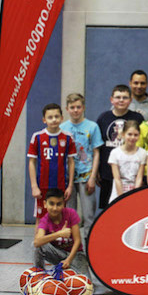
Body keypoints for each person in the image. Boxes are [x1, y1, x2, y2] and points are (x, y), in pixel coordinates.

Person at [60, 93, 103, 235]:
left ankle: (88, 248)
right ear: (67, 109)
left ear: (83, 107)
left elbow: (96, 152)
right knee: (69, 216)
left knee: (88, 215)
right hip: (68, 179)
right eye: (72, 107)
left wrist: (92, 176)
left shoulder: (92, 126)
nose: (76, 110)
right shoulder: (62, 128)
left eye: (78, 107)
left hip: (86, 177)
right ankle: (73, 248)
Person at [28, 103, 77, 225]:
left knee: (60, 217)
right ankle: (39, 243)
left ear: (61, 118)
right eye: (50, 117)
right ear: (44, 120)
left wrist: (70, 186)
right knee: (41, 217)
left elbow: (71, 162)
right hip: (42, 186)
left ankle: (59, 244)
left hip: (61, 186)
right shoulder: (37, 137)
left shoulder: (68, 137)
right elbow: (32, 162)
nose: (54, 119)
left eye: (56, 116)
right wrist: (34, 186)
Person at [97, 85, 144, 208]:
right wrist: (96, 170)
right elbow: (98, 145)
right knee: (108, 209)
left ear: (130, 100)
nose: (121, 100)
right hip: (107, 172)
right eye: (118, 97)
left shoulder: (138, 118)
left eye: (125, 97)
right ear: (111, 100)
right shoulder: (103, 118)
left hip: (131, 173)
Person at [34, 188, 89, 275]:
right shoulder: (45, 220)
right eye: (51, 204)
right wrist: (58, 234)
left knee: (86, 285)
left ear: (64, 204)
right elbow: (36, 242)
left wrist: (68, 260)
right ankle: (39, 274)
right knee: (40, 246)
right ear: (45, 204)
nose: (55, 208)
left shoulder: (71, 214)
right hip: (58, 254)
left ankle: (69, 269)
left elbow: (78, 241)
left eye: (58, 204)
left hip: (75, 254)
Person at [108, 120, 147, 203]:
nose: (132, 137)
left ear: (139, 136)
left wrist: (134, 195)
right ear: (123, 134)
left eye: (136, 135)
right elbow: (117, 178)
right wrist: (121, 198)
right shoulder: (115, 153)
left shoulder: (142, 153)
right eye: (129, 134)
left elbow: (139, 177)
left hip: (134, 191)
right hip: (118, 192)